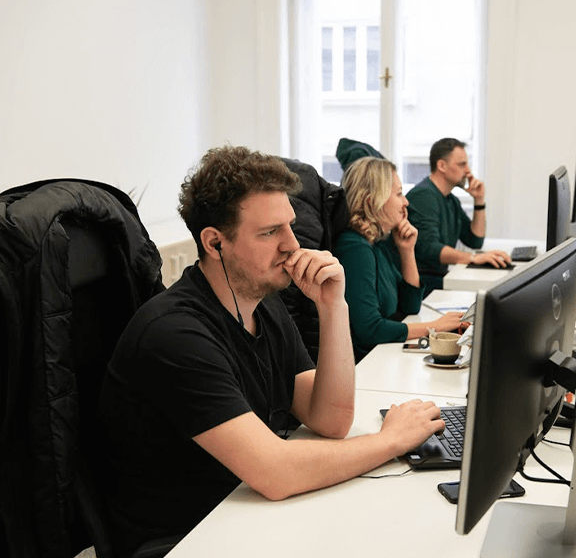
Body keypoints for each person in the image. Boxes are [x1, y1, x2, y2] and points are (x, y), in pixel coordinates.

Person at [97, 146, 445, 557]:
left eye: (290, 227)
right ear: (214, 243)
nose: (292, 245)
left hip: (246, 510)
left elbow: (329, 419)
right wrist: (391, 441)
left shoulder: (265, 304)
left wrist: (334, 308)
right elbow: (276, 472)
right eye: (269, 232)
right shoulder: (175, 333)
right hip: (190, 539)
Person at [333, 157, 464, 360]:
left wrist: (407, 250)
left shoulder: (378, 242)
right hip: (367, 364)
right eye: (399, 194)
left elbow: (410, 306)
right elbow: (368, 329)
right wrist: (433, 327)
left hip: (383, 356)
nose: (406, 202)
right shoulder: (354, 248)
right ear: (373, 201)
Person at [406, 137, 511, 291]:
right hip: (422, 282)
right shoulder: (424, 196)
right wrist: (474, 258)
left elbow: (474, 240)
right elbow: (431, 249)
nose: (468, 170)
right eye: (462, 164)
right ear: (441, 165)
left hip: (438, 277)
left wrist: (479, 200)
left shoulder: (451, 200)